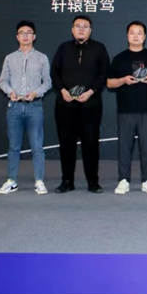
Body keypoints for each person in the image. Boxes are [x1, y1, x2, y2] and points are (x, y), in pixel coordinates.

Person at [51, 15, 109, 194]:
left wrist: (91, 91)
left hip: (90, 105)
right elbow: (54, 72)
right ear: (72, 29)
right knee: (66, 144)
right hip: (65, 105)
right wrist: (62, 90)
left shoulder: (99, 48)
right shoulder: (63, 48)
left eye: (85, 26)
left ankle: (93, 182)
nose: (81, 29)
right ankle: (67, 181)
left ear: (90, 30)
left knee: (90, 144)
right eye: (78, 26)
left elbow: (103, 74)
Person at [107, 21, 147, 195]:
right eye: (132, 32)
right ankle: (123, 180)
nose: (136, 36)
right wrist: (123, 80)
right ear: (127, 36)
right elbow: (109, 83)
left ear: (144, 36)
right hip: (125, 110)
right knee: (124, 147)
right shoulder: (120, 58)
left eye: (139, 33)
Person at [0, 21, 52, 195]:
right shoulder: (10, 58)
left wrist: (36, 93)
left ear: (34, 36)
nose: (25, 35)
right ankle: (11, 181)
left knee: (37, 146)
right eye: (22, 33)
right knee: (14, 146)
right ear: (17, 37)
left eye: (29, 32)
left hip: (34, 106)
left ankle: (39, 181)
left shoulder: (42, 58)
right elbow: (2, 81)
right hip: (14, 106)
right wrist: (10, 92)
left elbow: (48, 82)